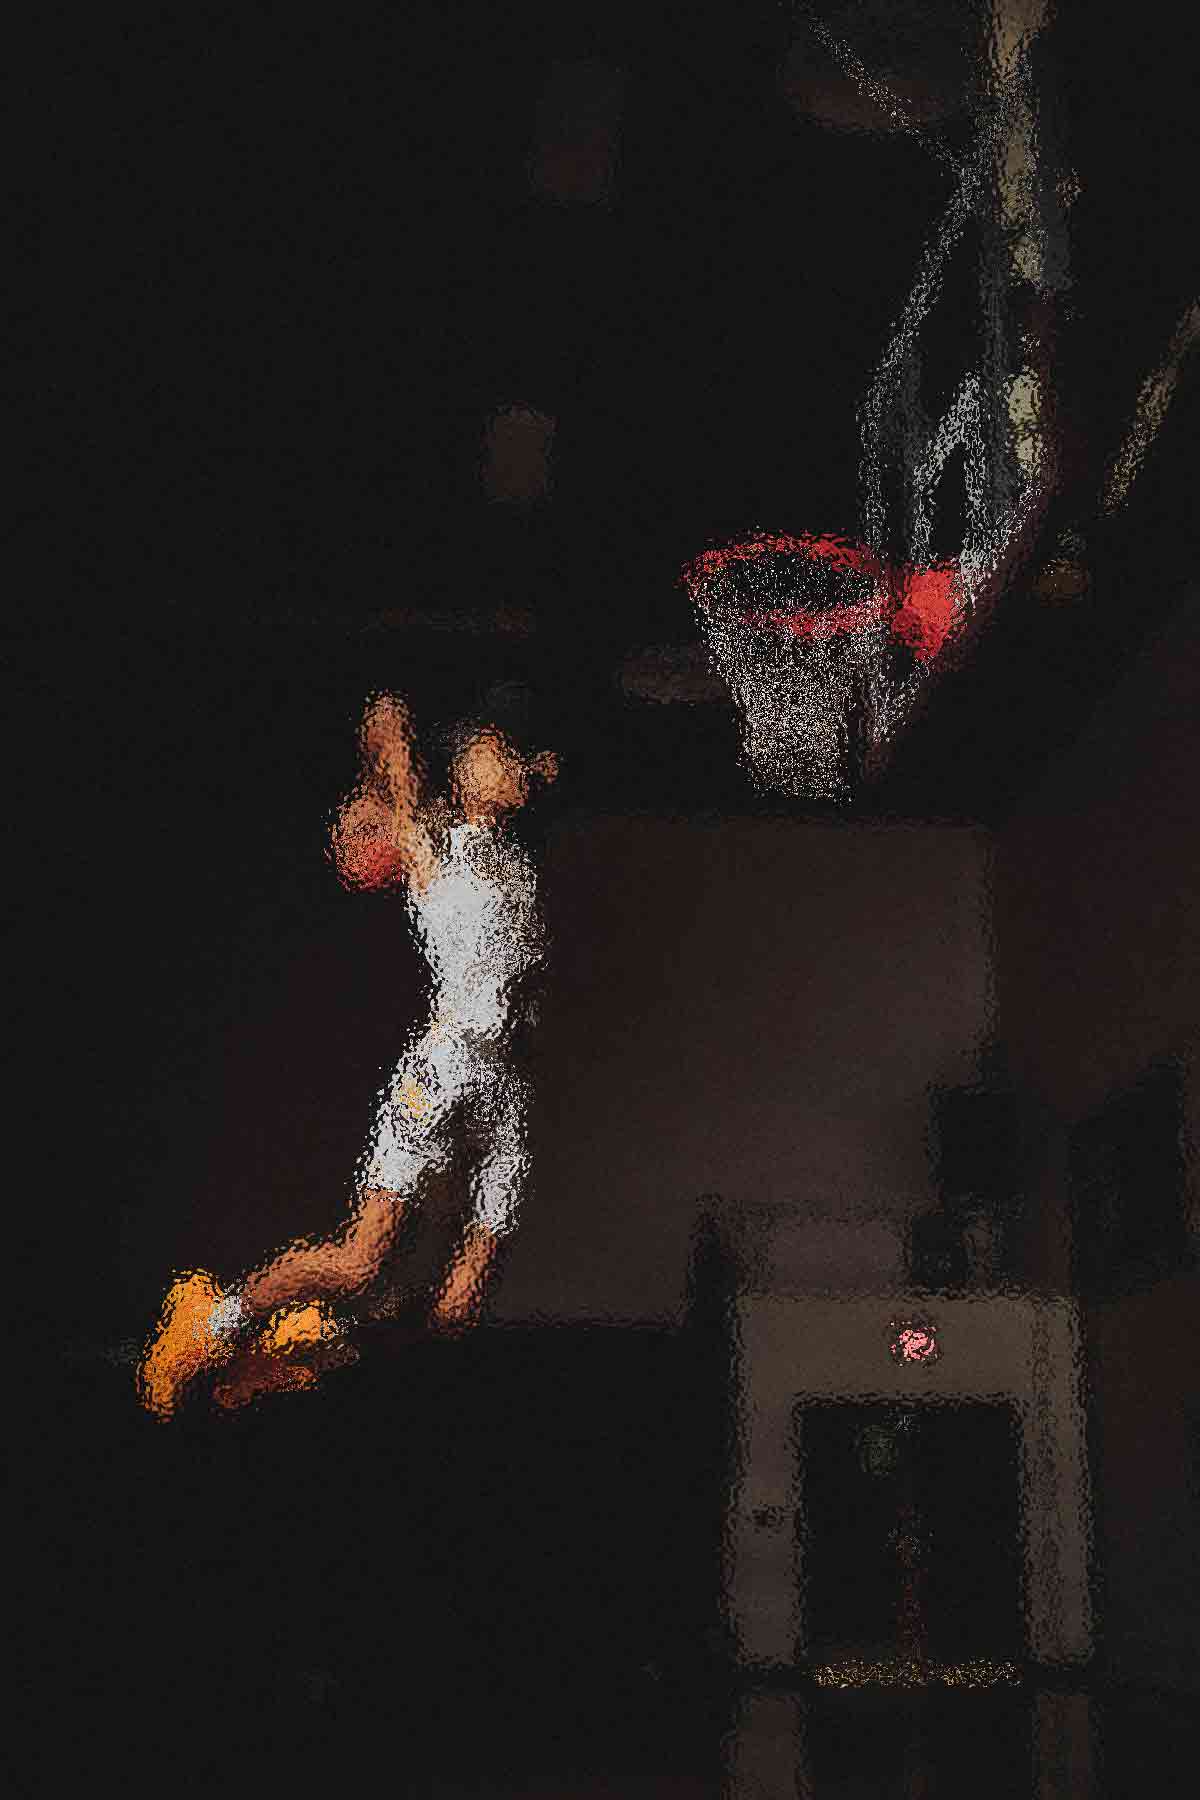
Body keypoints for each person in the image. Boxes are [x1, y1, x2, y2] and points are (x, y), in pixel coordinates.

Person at [137, 690, 558, 1419]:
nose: (500, 761)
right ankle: (210, 1323)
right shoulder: (438, 848)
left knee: (454, 1313)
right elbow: (392, 748)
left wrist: (533, 768)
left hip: (504, 1091)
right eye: (487, 751)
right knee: (358, 1263)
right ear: (460, 775)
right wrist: (388, 727)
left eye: (504, 752)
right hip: (444, 1073)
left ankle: (294, 1350)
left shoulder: (515, 865)